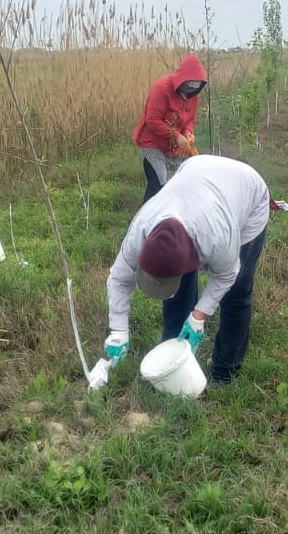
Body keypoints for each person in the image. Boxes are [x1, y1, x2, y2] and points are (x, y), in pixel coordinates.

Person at [104, 155, 269, 386]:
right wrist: (119, 330)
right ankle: (173, 351)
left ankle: (225, 370)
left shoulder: (217, 238)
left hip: (247, 191)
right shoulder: (139, 233)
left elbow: (227, 274)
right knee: (178, 291)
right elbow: (119, 280)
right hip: (195, 171)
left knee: (237, 291)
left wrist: (199, 315)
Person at [134, 52, 208, 203]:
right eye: (188, 87)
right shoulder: (161, 88)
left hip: (174, 146)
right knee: (159, 183)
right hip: (152, 143)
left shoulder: (193, 96)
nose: (190, 91)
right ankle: (146, 220)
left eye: (194, 88)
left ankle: (171, 215)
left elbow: (190, 119)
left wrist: (188, 132)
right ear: (182, 81)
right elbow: (152, 120)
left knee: (179, 182)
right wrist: (176, 135)